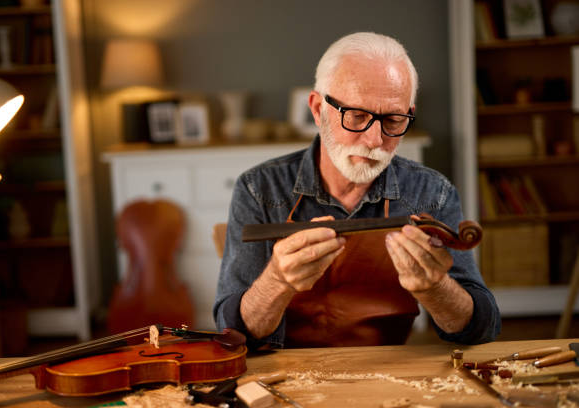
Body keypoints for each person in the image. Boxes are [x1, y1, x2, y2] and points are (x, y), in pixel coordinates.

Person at [214, 32, 501, 349]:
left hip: (385, 373)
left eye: (393, 119)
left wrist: (436, 288)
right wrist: (277, 281)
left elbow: (481, 329)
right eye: (357, 116)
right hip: (282, 374)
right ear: (317, 109)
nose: (375, 140)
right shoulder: (259, 189)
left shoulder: (432, 191)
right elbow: (233, 334)